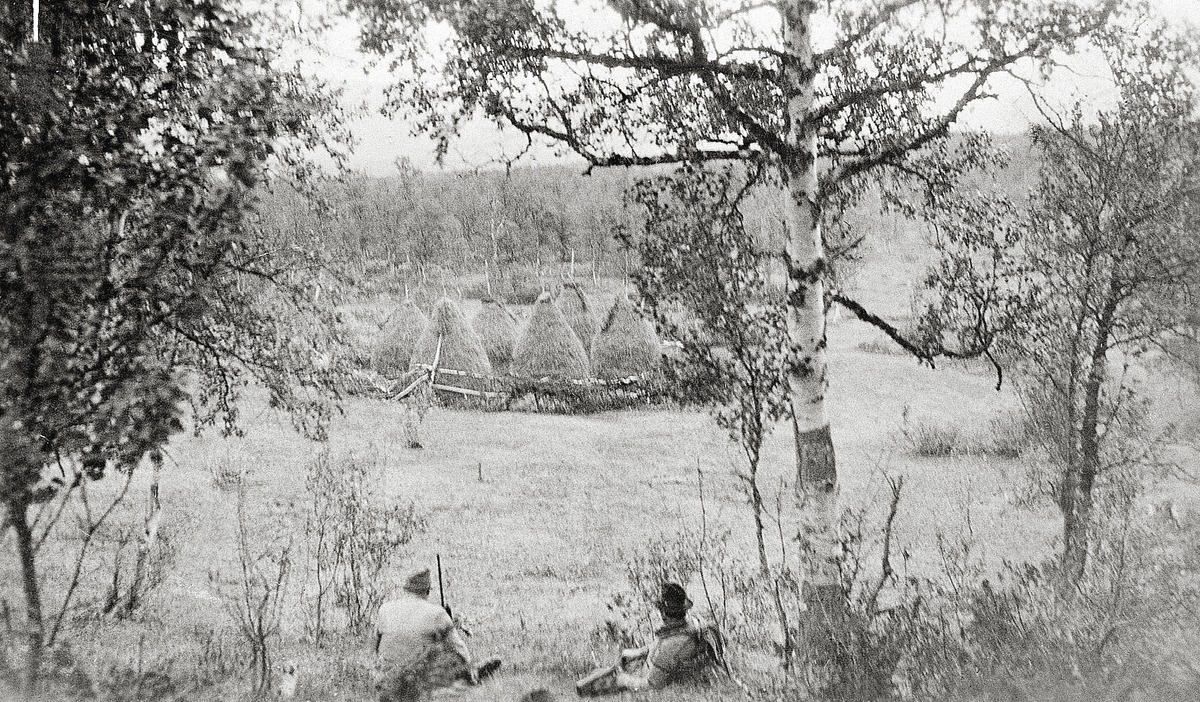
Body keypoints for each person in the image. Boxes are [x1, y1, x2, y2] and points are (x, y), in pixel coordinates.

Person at [373, 568, 500, 702]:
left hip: (386, 684)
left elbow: (375, 647)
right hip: (417, 685)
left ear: (406, 588)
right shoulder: (436, 613)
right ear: (427, 590)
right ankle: (473, 678)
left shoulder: (385, 609)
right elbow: (460, 652)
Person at [576, 583, 724, 696]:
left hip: (651, 677)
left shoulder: (671, 646)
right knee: (598, 672)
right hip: (652, 667)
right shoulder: (690, 625)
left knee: (591, 687)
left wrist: (623, 680)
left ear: (663, 613)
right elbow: (662, 645)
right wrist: (641, 651)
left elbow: (652, 685)